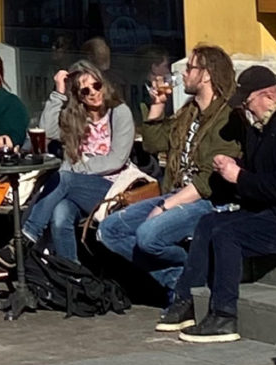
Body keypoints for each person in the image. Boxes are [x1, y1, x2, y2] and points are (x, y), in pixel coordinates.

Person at [173, 65, 276, 344]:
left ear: (269, 96)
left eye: (249, 103)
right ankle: (188, 298)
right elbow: (261, 173)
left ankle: (224, 314)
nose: (247, 110)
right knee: (209, 223)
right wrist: (234, 168)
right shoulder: (264, 128)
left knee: (228, 234)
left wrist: (239, 176)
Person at [97, 45, 241, 322]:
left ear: (207, 75)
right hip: (176, 191)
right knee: (110, 230)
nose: (184, 74)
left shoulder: (224, 117)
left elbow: (207, 180)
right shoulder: (189, 112)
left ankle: (189, 283)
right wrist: (158, 105)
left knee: (149, 236)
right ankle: (180, 279)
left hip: (206, 200)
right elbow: (153, 144)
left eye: (190, 68)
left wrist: (166, 206)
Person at [22, 65, 134, 263]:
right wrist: (58, 92)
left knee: (62, 178)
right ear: (79, 96)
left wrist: (79, 168)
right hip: (75, 188)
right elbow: (47, 131)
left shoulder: (119, 112)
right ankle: (72, 276)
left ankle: (28, 235)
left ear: (103, 84)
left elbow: (117, 159)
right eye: (85, 90)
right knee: (59, 215)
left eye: (96, 86)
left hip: (111, 188)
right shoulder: (75, 117)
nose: (93, 93)